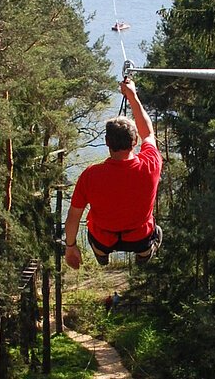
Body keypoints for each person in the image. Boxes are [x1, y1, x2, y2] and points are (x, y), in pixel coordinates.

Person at [64, 76, 163, 268]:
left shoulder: (90, 175)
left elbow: (73, 216)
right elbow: (148, 134)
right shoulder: (150, 165)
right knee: (156, 231)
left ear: (107, 142)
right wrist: (132, 96)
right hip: (140, 237)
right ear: (134, 143)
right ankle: (144, 253)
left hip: (103, 239)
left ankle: (101, 254)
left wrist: (70, 246)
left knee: (96, 234)